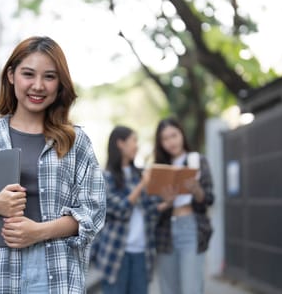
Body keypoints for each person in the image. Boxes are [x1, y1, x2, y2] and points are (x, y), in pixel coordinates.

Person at [0, 36, 106, 294]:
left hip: (55, 272)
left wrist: (38, 231)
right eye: (28, 74)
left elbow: (93, 212)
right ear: (11, 75)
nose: (38, 86)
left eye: (49, 77)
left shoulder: (76, 142)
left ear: (60, 83)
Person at [92, 125, 161, 294]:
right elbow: (120, 210)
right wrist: (142, 186)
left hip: (142, 253)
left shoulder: (140, 174)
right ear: (120, 143)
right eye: (133, 141)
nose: (137, 145)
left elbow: (150, 211)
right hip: (116, 253)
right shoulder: (105, 176)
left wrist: (167, 201)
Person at [153, 117, 214, 294]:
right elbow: (152, 207)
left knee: (191, 288)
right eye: (165, 138)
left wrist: (196, 190)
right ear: (160, 143)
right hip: (165, 232)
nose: (171, 141)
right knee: (169, 289)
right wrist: (166, 202)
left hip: (191, 227)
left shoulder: (198, 161)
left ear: (182, 134)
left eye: (174, 135)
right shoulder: (159, 168)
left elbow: (209, 199)